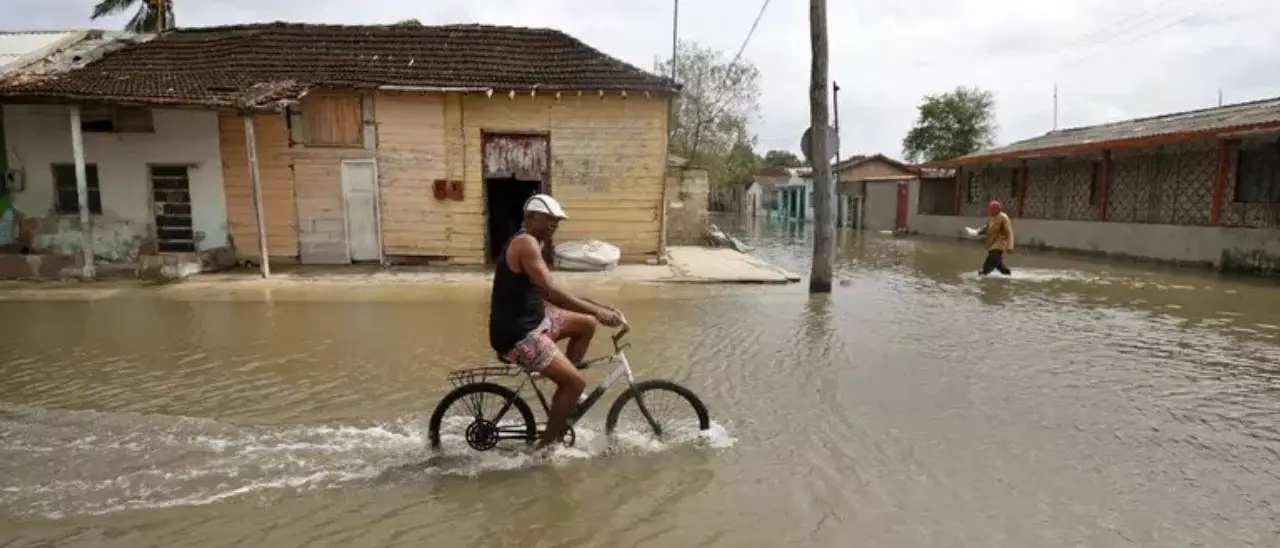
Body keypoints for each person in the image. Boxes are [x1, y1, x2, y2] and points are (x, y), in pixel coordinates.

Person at [488, 193, 623, 452]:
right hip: (518, 333)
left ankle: (564, 397)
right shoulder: (525, 243)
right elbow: (551, 293)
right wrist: (599, 312)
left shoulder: (534, 243)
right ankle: (545, 448)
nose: (554, 225)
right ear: (530, 218)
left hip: (536, 319)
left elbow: (550, 295)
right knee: (576, 383)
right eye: (549, 219)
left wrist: (598, 309)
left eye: (557, 221)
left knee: (586, 324)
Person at [976, 199, 1014, 276]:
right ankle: (1005, 274)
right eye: (989, 209)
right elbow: (986, 228)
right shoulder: (991, 218)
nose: (989, 211)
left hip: (1000, 244)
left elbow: (1009, 232)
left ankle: (985, 272)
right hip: (992, 243)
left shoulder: (1003, 217)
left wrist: (1010, 246)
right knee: (996, 262)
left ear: (997, 209)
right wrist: (976, 232)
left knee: (992, 258)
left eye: (991, 209)